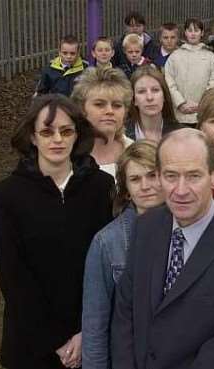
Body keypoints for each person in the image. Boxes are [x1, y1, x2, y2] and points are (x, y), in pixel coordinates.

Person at [112, 128, 214, 369]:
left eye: (193, 176)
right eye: (170, 176)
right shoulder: (146, 227)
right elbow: (126, 313)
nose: (180, 190)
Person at [0, 94, 114, 369]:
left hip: (89, 336)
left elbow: (106, 266)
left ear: (77, 135)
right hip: (30, 340)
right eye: (47, 132)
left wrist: (87, 332)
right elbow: (12, 275)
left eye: (66, 130)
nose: (57, 139)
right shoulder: (8, 194)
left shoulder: (101, 187)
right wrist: (57, 339)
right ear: (33, 138)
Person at [82, 140, 164, 369]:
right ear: (126, 191)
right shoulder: (107, 243)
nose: (146, 186)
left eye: (152, 175)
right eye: (136, 179)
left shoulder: (191, 230)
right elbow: (95, 324)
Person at [71, 67, 134, 179]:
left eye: (117, 105)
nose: (110, 111)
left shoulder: (134, 152)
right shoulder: (67, 155)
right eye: (99, 104)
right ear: (81, 109)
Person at [165, 18, 214, 126]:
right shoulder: (175, 56)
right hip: (180, 114)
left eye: (196, 30)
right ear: (185, 32)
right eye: (190, 30)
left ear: (202, 33)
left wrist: (201, 104)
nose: (193, 34)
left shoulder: (210, 56)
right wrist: (180, 103)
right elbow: (169, 82)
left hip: (203, 114)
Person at [125, 65, 181, 142]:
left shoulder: (180, 134)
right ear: (134, 100)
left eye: (155, 90)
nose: (149, 97)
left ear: (164, 96)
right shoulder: (121, 134)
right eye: (141, 91)